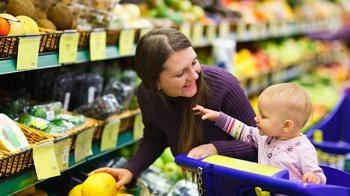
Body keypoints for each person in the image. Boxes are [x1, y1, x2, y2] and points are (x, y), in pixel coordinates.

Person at [92, 28, 257, 188]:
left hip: (242, 185)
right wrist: (132, 169)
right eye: (180, 74)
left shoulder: (224, 86)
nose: (194, 75)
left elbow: (260, 145)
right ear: (155, 82)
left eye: (194, 62)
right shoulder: (147, 94)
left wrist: (215, 149)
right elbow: (156, 136)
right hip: (201, 184)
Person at [193, 83, 326, 184]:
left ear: (286, 125)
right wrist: (217, 117)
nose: (256, 118)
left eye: (263, 116)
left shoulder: (303, 149)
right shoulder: (265, 137)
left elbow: (318, 175)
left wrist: (313, 177)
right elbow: (242, 130)